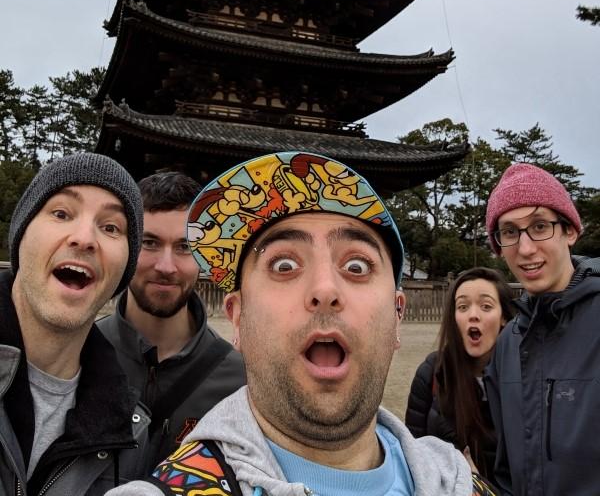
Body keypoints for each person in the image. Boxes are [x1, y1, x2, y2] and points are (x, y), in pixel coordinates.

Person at [107, 151, 497, 496]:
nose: (325, 289)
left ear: (397, 315)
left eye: (357, 266)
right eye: (284, 265)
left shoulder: (460, 484)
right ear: (238, 316)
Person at [0, 152, 150, 495]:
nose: (84, 238)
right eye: (61, 213)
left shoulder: (130, 433)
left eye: (111, 227)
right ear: (22, 236)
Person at [98, 171, 246, 471]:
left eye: (184, 247)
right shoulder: (79, 356)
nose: (166, 266)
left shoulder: (240, 382)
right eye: (150, 243)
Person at [484, 163, 600, 495]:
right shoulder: (507, 343)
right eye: (509, 232)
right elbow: (505, 468)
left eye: (539, 226)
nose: (525, 248)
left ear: (570, 231)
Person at [405, 267, 515, 482]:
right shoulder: (431, 374)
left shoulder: (524, 378)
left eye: (486, 306)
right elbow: (412, 454)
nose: (473, 315)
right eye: (462, 306)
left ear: (504, 317)